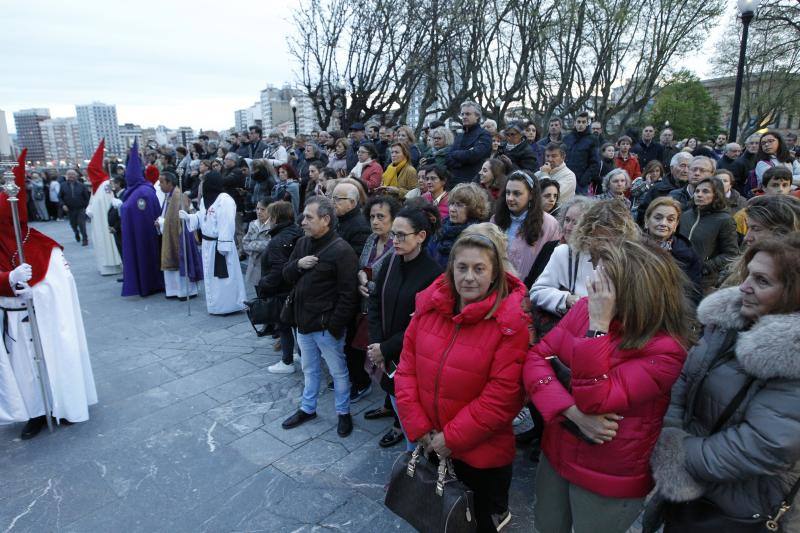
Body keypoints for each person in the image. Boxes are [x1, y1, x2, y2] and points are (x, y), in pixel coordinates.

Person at [526, 238, 692, 533]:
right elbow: (536, 359)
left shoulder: (666, 350)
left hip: (609, 475)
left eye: (603, 280)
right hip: (558, 452)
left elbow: (596, 401)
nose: (592, 286)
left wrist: (598, 328)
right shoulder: (583, 310)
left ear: (633, 288)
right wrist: (570, 412)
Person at [650, 235, 800, 532]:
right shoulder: (729, 323)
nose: (744, 287)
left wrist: (681, 456)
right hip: (688, 488)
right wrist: (671, 435)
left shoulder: (791, 354)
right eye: (748, 275)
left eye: (762, 281)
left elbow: (767, 444)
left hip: (740, 505)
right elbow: (686, 380)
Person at [395, 232, 531, 532]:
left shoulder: (511, 324)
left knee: (476, 523)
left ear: (495, 273)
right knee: (436, 517)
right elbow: (406, 371)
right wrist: (420, 428)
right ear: (451, 269)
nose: (469, 277)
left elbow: (502, 397)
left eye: (479, 269)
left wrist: (450, 439)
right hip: (431, 440)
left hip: (480, 457)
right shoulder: (429, 309)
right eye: (462, 267)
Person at [0, 151, 97, 439]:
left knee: (52, 361)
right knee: (24, 372)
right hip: (12, 322)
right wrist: (8, 279)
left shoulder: (44, 247)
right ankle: (34, 412)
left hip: (44, 324)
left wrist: (38, 292)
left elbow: (62, 290)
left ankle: (62, 405)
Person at [280, 197, 359, 437]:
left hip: (325, 328)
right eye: (303, 216)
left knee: (338, 372)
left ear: (325, 220)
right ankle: (308, 408)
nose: (302, 221)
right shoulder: (303, 243)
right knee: (309, 369)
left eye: (308, 217)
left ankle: (343, 413)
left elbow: (349, 295)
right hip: (302, 323)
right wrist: (298, 265)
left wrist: (333, 326)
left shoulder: (342, 250)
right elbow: (286, 274)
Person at [366, 205, 442, 450]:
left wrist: (386, 347)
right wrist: (377, 343)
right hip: (385, 353)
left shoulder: (434, 274)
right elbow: (375, 300)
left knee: (412, 412)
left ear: (421, 236)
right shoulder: (392, 261)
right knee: (394, 397)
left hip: (410, 358)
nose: (394, 241)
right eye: (394, 234)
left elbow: (420, 325)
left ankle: (413, 461)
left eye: (401, 235)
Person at [179, 171, 247, 315]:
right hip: (207, 244)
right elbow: (202, 217)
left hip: (220, 244)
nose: (202, 185)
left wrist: (223, 244)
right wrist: (189, 217)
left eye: (205, 182)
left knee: (224, 276)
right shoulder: (205, 199)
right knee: (212, 276)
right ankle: (216, 305)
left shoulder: (225, 200)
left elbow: (227, 222)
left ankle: (229, 305)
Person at [258, 201, 304, 373]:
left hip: (283, 290)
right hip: (294, 286)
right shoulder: (295, 231)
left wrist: (264, 283)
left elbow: (279, 269)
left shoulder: (278, 240)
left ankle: (287, 362)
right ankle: (299, 353)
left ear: (276, 217)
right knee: (294, 325)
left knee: (284, 324)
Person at [493, 171, 561, 283]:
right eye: (508, 193)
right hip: (498, 286)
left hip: (529, 291)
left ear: (531, 195)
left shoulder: (549, 224)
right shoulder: (496, 219)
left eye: (517, 194)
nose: (510, 198)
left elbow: (550, 264)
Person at [678, 177, 739, 292]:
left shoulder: (724, 220)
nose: (699, 195)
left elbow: (731, 254)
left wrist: (705, 267)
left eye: (705, 191)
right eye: (697, 191)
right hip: (678, 274)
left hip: (702, 281)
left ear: (716, 195)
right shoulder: (685, 215)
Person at [120, 141, 165, 297]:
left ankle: (150, 284)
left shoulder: (143, 192)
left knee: (147, 258)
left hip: (145, 235)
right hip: (136, 234)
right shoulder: (134, 191)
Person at [643, 197, 703, 301]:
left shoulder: (687, 253)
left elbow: (694, 293)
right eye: (658, 218)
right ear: (647, 221)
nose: (663, 223)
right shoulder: (630, 249)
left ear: (675, 225)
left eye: (670, 220)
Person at [157, 172, 201, 300]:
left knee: (182, 262)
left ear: (170, 183)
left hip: (180, 236)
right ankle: (174, 290)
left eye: (162, 182)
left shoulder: (177, 197)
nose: (159, 185)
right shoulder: (169, 196)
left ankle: (185, 291)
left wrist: (161, 222)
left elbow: (177, 220)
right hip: (170, 233)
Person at [428, 182, 489, 267]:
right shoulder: (441, 228)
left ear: (472, 209)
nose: (452, 209)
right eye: (452, 204)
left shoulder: (479, 235)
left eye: (459, 205)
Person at [85, 144, 122, 276]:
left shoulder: (106, 184)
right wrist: (89, 208)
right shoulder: (96, 186)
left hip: (105, 220)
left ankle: (115, 265)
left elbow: (109, 202)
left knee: (109, 241)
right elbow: (93, 201)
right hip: (97, 220)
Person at [636, 151, 692, 226]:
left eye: (689, 167)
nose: (686, 170)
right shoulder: (657, 189)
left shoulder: (695, 191)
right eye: (682, 166)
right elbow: (643, 214)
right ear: (672, 168)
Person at [446, 100, 492, 188]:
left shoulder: (484, 135)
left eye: (468, 114)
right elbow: (448, 158)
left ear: (477, 116)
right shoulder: (459, 136)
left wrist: (456, 154)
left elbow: (474, 155)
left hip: (473, 184)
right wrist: (464, 157)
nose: (464, 117)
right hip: (453, 183)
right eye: (462, 114)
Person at [563, 112, 600, 194]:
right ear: (574, 123)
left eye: (583, 122)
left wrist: (584, 180)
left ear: (587, 124)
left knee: (580, 205)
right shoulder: (567, 138)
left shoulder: (592, 140)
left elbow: (595, 163)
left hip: (581, 183)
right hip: (566, 179)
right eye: (578, 122)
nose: (581, 124)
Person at [332, 182, 371, 257]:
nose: (333, 202)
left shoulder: (361, 228)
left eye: (337, 199)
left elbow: (353, 257)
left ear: (352, 202)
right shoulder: (337, 218)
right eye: (332, 198)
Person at [242, 198, 272, 291]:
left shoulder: (273, 225)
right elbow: (245, 243)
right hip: (254, 265)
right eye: (257, 209)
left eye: (262, 209)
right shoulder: (253, 224)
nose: (259, 212)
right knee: (257, 292)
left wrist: (253, 244)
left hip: (266, 267)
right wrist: (257, 247)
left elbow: (270, 245)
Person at [59, 169, 90, 246]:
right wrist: (63, 205)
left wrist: (86, 207)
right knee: (73, 224)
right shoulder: (62, 185)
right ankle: (76, 232)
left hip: (80, 208)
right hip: (69, 209)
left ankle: (85, 239)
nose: (71, 176)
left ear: (76, 176)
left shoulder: (82, 185)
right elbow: (60, 197)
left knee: (82, 224)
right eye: (69, 174)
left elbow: (87, 197)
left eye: (73, 174)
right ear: (66, 176)